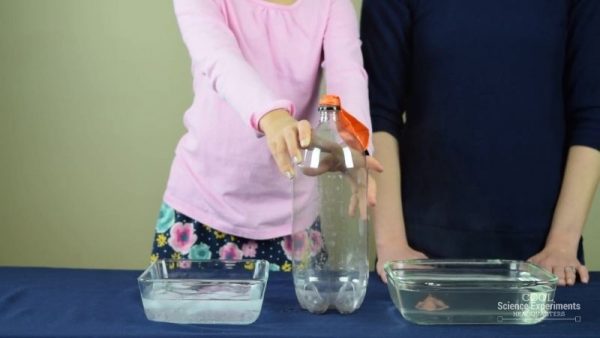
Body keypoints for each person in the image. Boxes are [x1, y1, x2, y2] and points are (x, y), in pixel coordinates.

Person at [361, 0, 600, 286]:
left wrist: (562, 243)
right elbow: (376, 111)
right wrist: (391, 244)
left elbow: (591, 115)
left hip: (545, 261)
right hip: (422, 259)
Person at [150, 0, 382, 272]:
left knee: (294, 315)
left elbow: (348, 74)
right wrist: (273, 117)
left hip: (294, 223)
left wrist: (353, 151)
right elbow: (219, 58)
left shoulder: (331, 5)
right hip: (200, 210)